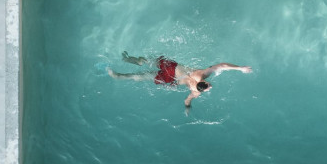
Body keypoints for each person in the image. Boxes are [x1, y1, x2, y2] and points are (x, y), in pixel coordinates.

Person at [108, 52, 252, 108]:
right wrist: (188, 108)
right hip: (170, 78)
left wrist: (240, 68)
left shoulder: (201, 74)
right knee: (140, 77)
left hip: (172, 68)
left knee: (145, 61)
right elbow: (187, 100)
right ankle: (118, 76)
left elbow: (222, 65)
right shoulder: (196, 91)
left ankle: (128, 60)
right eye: (209, 86)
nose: (211, 86)